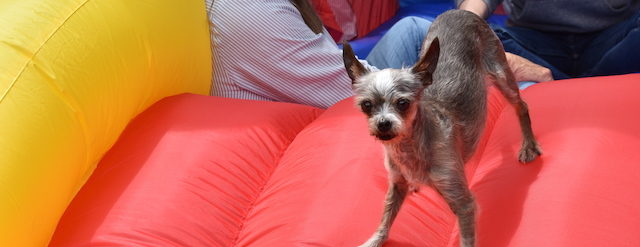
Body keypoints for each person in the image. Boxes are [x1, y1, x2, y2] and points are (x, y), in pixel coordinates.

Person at [205, 0, 430, 109]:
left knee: (412, 30)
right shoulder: (254, 13)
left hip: (331, 88)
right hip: (331, 120)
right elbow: (360, 93)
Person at [457, 0, 640, 81]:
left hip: (611, 41)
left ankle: (569, 87)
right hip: (533, 44)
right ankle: (587, 87)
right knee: (478, 35)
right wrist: (464, 26)